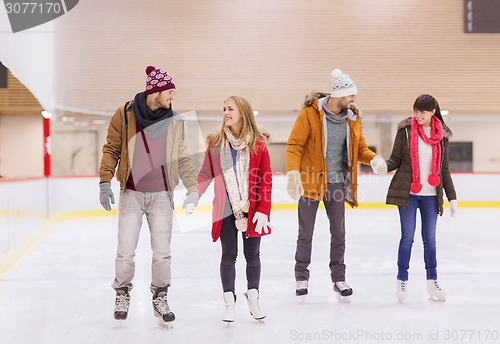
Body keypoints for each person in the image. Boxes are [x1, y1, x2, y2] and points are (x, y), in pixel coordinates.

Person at [98, 65, 199, 327]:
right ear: (155, 91)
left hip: (162, 195)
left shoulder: (175, 120)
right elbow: (111, 149)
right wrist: (105, 182)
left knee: (162, 253)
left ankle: (161, 296)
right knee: (125, 251)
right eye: (170, 92)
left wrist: (192, 188)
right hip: (131, 192)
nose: (172, 98)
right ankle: (122, 294)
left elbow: (183, 157)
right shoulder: (125, 114)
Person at [286, 69, 383, 300]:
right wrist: (292, 173)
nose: (353, 100)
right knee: (305, 233)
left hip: (337, 184)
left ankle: (338, 278)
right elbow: (295, 145)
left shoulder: (352, 118)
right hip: (311, 181)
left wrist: (374, 159)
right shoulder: (310, 114)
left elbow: (359, 149)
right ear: (339, 95)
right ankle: (301, 277)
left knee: (339, 233)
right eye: (351, 97)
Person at [371, 94, 457, 302]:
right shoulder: (406, 131)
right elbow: (396, 160)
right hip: (408, 194)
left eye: (423, 112)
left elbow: (444, 170)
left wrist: (452, 197)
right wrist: (383, 167)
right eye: (416, 110)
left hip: (431, 196)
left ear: (433, 111)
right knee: (407, 239)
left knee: (430, 240)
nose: (418, 115)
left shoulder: (441, 136)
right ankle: (402, 281)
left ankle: (432, 283)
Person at [197, 96, 272, 323]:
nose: (226, 113)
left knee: (253, 256)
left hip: (253, 209)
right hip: (226, 210)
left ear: (243, 112)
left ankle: (254, 297)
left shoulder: (258, 144)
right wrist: (194, 193)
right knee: (228, 256)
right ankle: (229, 302)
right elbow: (204, 174)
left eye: (230, 109)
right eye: (224, 109)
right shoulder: (216, 143)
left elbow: (265, 180)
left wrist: (263, 210)